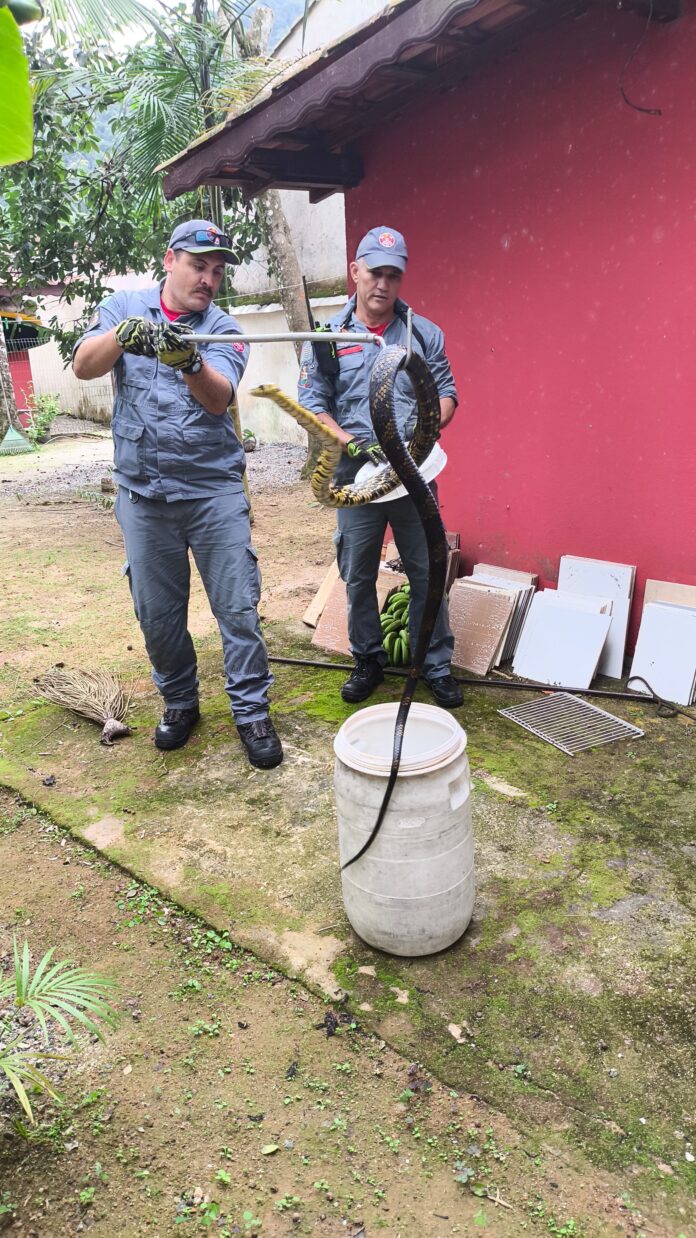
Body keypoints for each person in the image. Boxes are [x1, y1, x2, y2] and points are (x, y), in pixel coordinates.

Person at [72, 219, 283, 769]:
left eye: (217, 271)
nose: (208, 279)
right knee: (158, 615)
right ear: (169, 260)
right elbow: (83, 365)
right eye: (198, 265)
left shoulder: (224, 329)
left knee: (237, 608)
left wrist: (189, 360)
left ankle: (251, 710)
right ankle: (181, 702)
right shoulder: (123, 308)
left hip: (213, 493)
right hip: (144, 497)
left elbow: (218, 400)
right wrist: (120, 339)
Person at [297, 225, 463, 708]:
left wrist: (425, 433)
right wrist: (351, 444)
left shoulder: (422, 333)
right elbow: (313, 404)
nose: (383, 284)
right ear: (355, 271)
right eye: (374, 272)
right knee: (359, 572)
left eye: (394, 275)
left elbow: (448, 395)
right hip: (357, 478)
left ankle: (433, 663)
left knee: (428, 570)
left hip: (414, 474)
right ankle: (367, 659)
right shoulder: (327, 337)